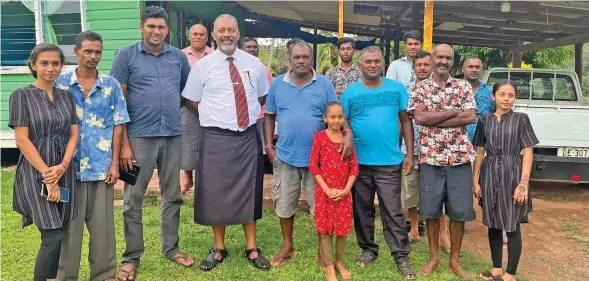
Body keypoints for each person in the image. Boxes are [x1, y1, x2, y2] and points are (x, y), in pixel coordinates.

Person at [181, 14, 271, 271]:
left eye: (231, 30)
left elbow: (261, 97)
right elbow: (191, 99)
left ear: (238, 33)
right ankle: (219, 247)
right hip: (215, 138)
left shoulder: (254, 64)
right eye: (222, 30)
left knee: (250, 191)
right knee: (214, 193)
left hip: (246, 137)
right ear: (214, 34)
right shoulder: (203, 66)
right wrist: (215, 114)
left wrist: (240, 115)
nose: (227, 34)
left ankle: (252, 247)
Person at [110, 6, 193, 281]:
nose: (156, 31)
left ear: (167, 29)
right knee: (132, 200)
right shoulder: (126, 55)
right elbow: (117, 103)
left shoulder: (178, 57)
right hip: (136, 140)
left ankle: (171, 248)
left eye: (161, 27)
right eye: (151, 26)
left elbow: (185, 93)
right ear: (141, 27)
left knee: (173, 195)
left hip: (172, 136)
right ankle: (131, 257)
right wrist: (123, 146)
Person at [264, 41, 355, 268]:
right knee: (284, 203)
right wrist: (268, 146)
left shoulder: (323, 84)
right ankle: (287, 246)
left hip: (321, 160)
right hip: (285, 155)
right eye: (297, 57)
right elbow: (269, 115)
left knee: (321, 207)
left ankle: (322, 250)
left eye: (306, 57)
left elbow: (336, 114)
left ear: (312, 59)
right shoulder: (278, 84)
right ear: (289, 60)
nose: (301, 61)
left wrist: (347, 133)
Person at [55, 31, 129, 281]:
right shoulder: (60, 84)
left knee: (102, 229)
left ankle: (104, 275)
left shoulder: (111, 85)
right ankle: (65, 276)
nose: (93, 56)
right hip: (67, 168)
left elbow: (118, 124)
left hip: (101, 166)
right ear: (76, 51)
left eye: (98, 51)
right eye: (88, 51)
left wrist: (115, 163)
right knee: (69, 229)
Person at [340, 46, 416, 279]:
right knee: (362, 209)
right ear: (360, 65)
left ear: (382, 63)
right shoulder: (350, 93)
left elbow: (405, 121)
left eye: (376, 61)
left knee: (392, 209)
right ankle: (368, 249)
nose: (372, 65)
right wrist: (348, 133)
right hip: (359, 163)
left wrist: (410, 154)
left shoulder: (397, 89)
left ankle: (401, 255)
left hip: (389, 160)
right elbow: (343, 121)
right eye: (367, 62)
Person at [9, 43, 79, 281]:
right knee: (52, 237)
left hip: (63, 170)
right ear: (33, 65)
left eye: (56, 63)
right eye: (44, 63)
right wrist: (48, 175)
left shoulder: (66, 96)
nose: (51, 68)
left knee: (59, 233)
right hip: (35, 172)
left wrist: (63, 166)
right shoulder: (22, 95)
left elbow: (73, 134)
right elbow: (22, 140)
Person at [408, 44, 477, 280]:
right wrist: (454, 112)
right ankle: (434, 257)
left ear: (452, 61)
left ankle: (454, 261)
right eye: (440, 56)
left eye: (448, 58)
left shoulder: (463, 86)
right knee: (431, 209)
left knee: (459, 211)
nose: (443, 61)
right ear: (432, 58)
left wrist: (434, 118)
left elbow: (470, 116)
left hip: (459, 158)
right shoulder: (420, 88)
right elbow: (420, 118)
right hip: (431, 158)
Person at [473, 80, 538, 281]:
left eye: (510, 95)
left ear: (515, 98)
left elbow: (528, 151)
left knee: (511, 224)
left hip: (513, 173)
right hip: (490, 173)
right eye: (502, 94)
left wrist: (523, 183)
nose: (506, 99)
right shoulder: (484, 120)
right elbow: (480, 151)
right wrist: (475, 180)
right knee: (493, 223)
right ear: (493, 96)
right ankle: (496, 269)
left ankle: (510, 274)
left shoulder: (521, 119)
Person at [309, 101, 359, 281]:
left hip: (343, 194)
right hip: (324, 193)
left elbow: (354, 168)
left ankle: (339, 262)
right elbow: (313, 165)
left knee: (342, 229)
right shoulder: (320, 138)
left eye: (340, 117)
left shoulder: (347, 140)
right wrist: (326, 189)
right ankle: (329, 266)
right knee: (325, 229)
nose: (336, 120)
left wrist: (346, 190)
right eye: (332, 117)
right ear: (325, 118)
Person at [180, 23, 215, 194]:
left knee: (208, 141)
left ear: (207, 37)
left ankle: (205, 179)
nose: (199, 37)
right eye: (195, 34)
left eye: (202, 34)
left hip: (211, 106)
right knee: (187, 141)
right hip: (187, 104)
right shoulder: (180, 55)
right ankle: (188, 177)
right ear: (190, 36)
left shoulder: (215, 55)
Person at [242, 37, 273, 152]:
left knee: (261, 149)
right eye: (248, 47)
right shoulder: (235, 67)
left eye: (255, 47)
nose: (252, 49)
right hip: (240, 117)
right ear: (241, 50)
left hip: (260, 117)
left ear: (258, 50)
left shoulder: (265, 70)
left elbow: (268, 93)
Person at [463, 57, 494, 143]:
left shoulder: (490, 91)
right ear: (463, 69)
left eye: (477, 67)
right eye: (470, 67)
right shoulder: (453, 90)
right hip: (459, 142)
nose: (474, 70)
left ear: (481, 69)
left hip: (484, 142)